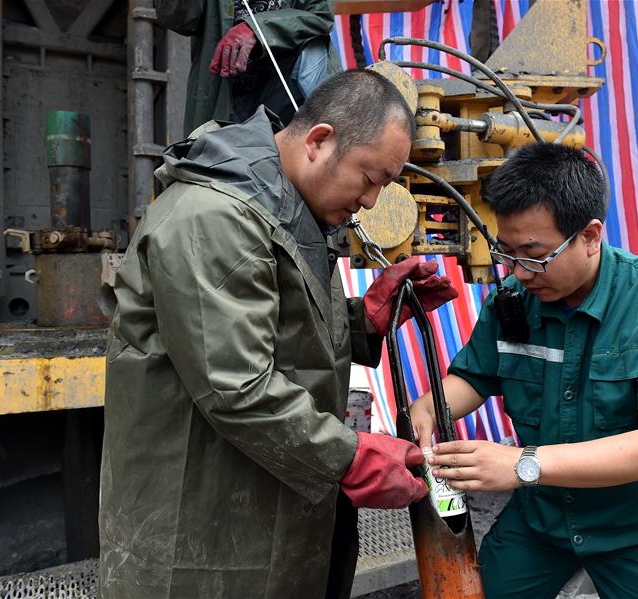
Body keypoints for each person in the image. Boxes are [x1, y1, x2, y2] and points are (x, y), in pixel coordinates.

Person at [98, 70, 460, 599]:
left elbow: (267, 327)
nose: (372, 202)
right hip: (201, 517)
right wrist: (351, 456)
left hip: (263, 500)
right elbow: (236, 382)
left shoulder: (289, 207)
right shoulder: (214, 216)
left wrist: (363, 321)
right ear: (319, 141)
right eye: (371, 178)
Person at [409, 143, 638, 599]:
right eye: (507, 253)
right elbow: (475, 377)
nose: (519, 271)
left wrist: (521, 464)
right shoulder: (513, 300)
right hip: (544, 519)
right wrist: (429, 408)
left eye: (534, 255)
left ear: (590, 236)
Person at [157, 0, 339, 135]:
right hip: (222, 97)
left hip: (284, 97)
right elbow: (177, 19)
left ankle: (328, 138)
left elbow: (320, 16)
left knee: (315, 50)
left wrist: (257, 29)